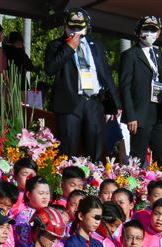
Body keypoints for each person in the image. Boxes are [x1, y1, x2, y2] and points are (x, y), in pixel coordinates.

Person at [44, 8, 120, 161]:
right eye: (72, 27)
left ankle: (93, 179)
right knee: (68, 149)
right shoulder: (56, 45)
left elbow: (105, 74)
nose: (76, 30)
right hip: (70, 102)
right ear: (65, 26)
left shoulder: (96, 45)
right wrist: (69, 48)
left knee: (95, 149)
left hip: (93, 101)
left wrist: (116, 103)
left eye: (79, 27)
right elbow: (50, 69)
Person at [119, 16, 162, 166]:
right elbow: (125, 86)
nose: (150, 33)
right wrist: (130, 115)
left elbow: (160, 81)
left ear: (159, 33)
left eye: (153, 30)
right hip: (140, 115)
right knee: (138, 158)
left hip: (158, 112)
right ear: (138, 32)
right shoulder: (130, 55)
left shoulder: (158, 54)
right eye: (146, 29)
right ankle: (136, 188)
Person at [14, 176, 52, 247]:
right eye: (41, 193)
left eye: (47, 193)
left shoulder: (49, 213)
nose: (45, 197)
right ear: (29, 195)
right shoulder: (24, 217)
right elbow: (22, 242)